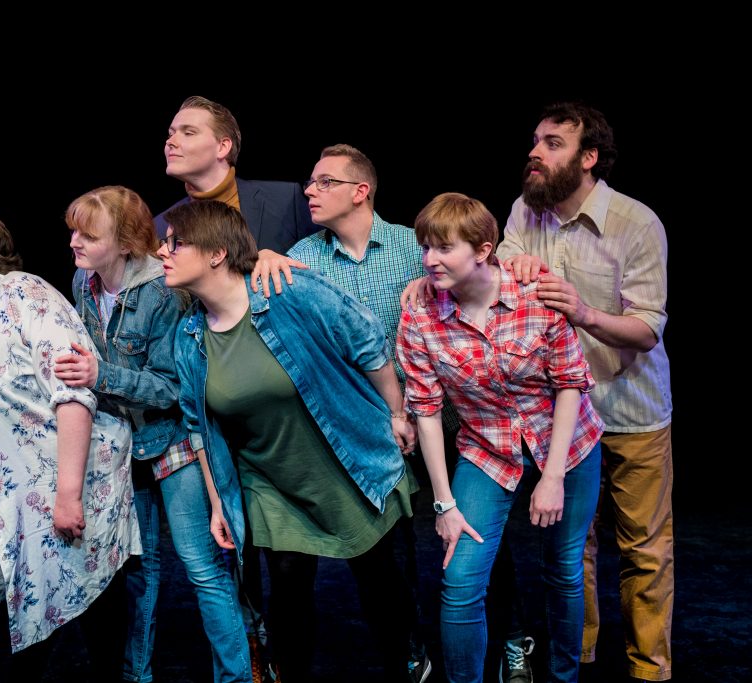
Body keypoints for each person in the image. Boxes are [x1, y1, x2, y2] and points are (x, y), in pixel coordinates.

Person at [162, 200, 418, 683]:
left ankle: (406, 663)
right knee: (287, 588)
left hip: (343, 463)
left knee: (379, 584)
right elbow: (199, 427)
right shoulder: (189, 337)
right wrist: (218, 503)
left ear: (217, 253)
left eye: (176, 242)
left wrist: (397, 413)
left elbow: (366, 341)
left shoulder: (286, 292)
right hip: (269, 479)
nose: (163, 251)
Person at [0, 208, 140, 681]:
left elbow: (74, 392)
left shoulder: (25, 294)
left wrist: (68, 494)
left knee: (90, 598)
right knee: (30, 604)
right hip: (7, 494)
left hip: (68, 478)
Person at [498, 102, 673, 682]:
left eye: (552, 143)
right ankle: (582, 657)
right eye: (535, 141)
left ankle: (650, 670)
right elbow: (501, 259)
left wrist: (585, 312)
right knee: (576, 552)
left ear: (588, 157)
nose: (535, 152)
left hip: (628, 408)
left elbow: (647, 328)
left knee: (644, 549)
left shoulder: (636, 223)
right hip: (564, 419)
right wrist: (510, 264)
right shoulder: (527, 210)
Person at [397, 192, 604, 683]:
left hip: (567, 447)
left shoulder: (536, 294)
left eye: (444, 248)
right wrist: (443, 504)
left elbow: (571, 383)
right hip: (487, 450)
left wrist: (552, 477)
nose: (430, 260)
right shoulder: (421, 314)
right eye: (425, 248)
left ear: (484, 249)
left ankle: (563, 675)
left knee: (564, 569)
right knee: (461, 579)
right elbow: (425, 412)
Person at [249, 143, 433, 681]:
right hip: (345, 431)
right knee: (363, 558)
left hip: (419, 418)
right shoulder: (301, 256)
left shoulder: (411, 248)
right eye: (311, 182)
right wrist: (264, 255)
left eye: (325, 182)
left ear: (361, 191)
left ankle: (412, 650)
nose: (309, 191)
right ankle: (295, 663)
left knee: (406, 558)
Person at [56, 186, 251, 683]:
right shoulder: (84, 282)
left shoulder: (163, 291)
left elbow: (171, 389)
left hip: (174, 443)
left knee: (203, 568)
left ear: (124, 243)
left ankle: (236, 674)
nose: (75, 241)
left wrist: (101, 376)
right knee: (139, 574)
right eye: (73, 230)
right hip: (122, 445)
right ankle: (135, 675)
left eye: (88, 233)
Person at [155, 95, 316, 253]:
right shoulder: (161, 227)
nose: (170, 142)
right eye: (170, 134)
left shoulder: (286, 200)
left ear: (222, 147)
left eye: (188, 133)